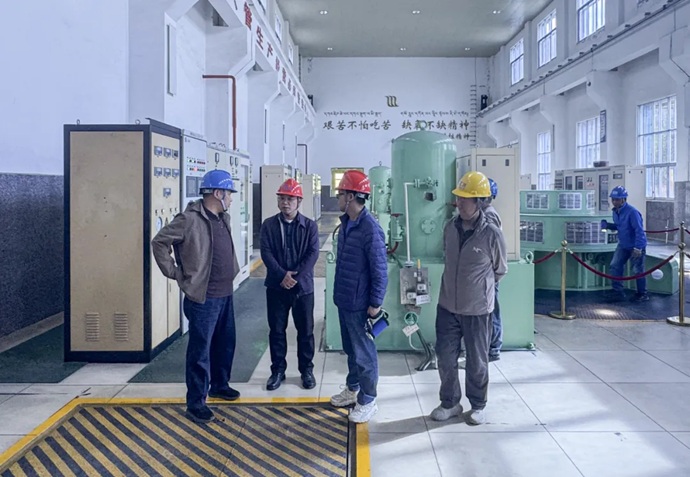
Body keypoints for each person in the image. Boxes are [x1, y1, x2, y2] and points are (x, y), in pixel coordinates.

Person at [151, 169, 240, 424]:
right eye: (229, 193)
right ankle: (196, 403)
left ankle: (219, 385)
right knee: (200, 351)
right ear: (218, 193)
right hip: (204, 298)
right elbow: (159, 242)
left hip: (225, 293)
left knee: (225, 343)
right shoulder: (188, 219)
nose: (231, 198)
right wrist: (175, 273)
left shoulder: (223, 217)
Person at [430, 171, 507, 426]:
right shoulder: (449, 228)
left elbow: (500, 269)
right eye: (459, 198)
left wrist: (479, 289)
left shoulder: (491, 234)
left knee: (477, 360)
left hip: (477, 309)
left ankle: (478, 405)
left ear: (480, 202)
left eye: (465, 199)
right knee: (445, 357)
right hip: (447, 305)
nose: (459, 203)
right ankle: (450, 403)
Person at [329, 170, 388, 424]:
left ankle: (368, 400)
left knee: (364, 354)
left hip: (361, 304)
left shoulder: (369, 229)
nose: (338, 198)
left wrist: (375, 303)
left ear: (351, 196)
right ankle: (352, 389)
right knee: (351, 350)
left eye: (340, 194)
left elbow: (380, 270)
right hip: (345, 300)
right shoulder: (347, 223)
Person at [260, 178, 320, 391]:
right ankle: (277, 371)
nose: (285, 203)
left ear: (299, 201)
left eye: (290, 199)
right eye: (282, 199)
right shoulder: (269, 225)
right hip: (276, 288)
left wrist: (296, 276)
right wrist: (281, 275)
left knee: (306, 332)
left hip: (303, 289)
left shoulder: (310, 226)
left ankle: (306, 371)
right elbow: (266, 252)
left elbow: (313, 254)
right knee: (277, 330)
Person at [601, 186, 648, 302]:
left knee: (637, 269)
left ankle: (642, 294)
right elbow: (620, 226)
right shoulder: (615, 212)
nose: (614, 202)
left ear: (623, 199)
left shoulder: (632, 212)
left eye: (617, 199)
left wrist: (638, 247)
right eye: (613, 199)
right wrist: (608, 226)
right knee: (615, 266)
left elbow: (639, 230)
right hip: (623, 244)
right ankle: (617, 291)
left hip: (635, 246)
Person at [482, 178, 503, 362]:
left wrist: (494, 276)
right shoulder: (485, 213)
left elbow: (494, 245)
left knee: (492, 310)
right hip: (484, 274)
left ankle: (494, 348)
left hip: (489, 274)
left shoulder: (489, 215)